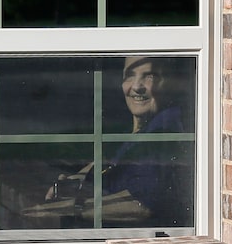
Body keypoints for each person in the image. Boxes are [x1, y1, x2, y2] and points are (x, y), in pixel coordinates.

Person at [44, 56, 193, 227]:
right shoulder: (143, 128)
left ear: (169, 83)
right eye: (129, 76)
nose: (136, 87)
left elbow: (143, 204)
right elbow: (114, 162)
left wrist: (75, 207)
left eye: (149, 76)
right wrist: (77, 179)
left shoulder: (164, 129)